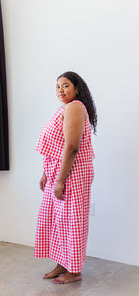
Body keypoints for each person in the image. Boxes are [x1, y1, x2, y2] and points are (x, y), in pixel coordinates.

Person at [34, 71, 97, 284]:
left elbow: (71, 147)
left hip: (73, 173)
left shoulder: (76, 108)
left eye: (66, 85)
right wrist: (46, 174)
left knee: (72, 221)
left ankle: (74, 270)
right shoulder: (65, 109)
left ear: (77, 88)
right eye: (57, 86)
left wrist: (60, 180)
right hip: (58, 172)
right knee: (57, 221)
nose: (61, 90)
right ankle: (62, 264)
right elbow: (57, 146)